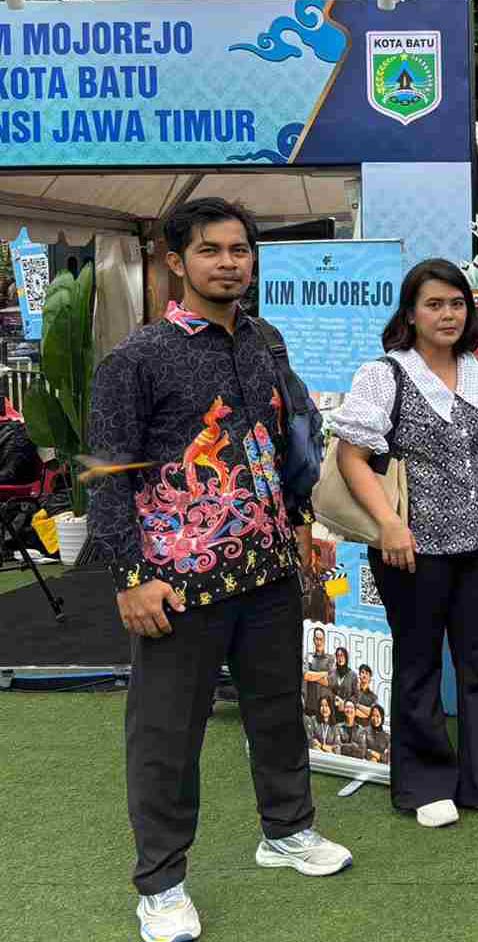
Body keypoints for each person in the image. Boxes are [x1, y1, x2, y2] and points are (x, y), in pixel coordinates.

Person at [87, 197, 351, 942]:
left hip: (267, 571)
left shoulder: (266, 339)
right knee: (167, 736)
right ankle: (162, 882)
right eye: (210, 250)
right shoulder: (137, 358)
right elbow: (106, 474)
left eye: (240, 249)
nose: (229, 263)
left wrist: (301, 522)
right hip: (177, 583)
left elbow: (291, 436)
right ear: (177, 262)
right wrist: (130, 576)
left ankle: (287, 830)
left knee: (279, 709)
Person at [331, 256, 478, 827]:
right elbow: (351, 457)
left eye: (457, 304)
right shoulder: (385, 374)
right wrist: (389, 524)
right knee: (418, 664)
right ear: (411, 314)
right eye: (434, 304)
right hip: (409, 549)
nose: (447, 315)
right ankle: (425, 785)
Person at [302, 627, 334, 717]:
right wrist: (326, 673)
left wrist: (312, 676)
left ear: (324, 640)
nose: (319, 642)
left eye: (321, 639)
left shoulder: (330, 658)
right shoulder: (308, 656)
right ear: (313, 640)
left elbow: (329, 681)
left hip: (325, 708)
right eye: (317, 639)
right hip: (310, 706)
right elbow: (306, 675)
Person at [330, 646, 357, 715]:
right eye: (338, 656)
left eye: (342, 655)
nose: (340, 658)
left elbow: (356, 695)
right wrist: (334, 697)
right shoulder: (332, 673)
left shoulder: (353, 675)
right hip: (333, 710)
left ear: (346, 657)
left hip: (347, 711)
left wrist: (345, 702)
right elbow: (328, 690)